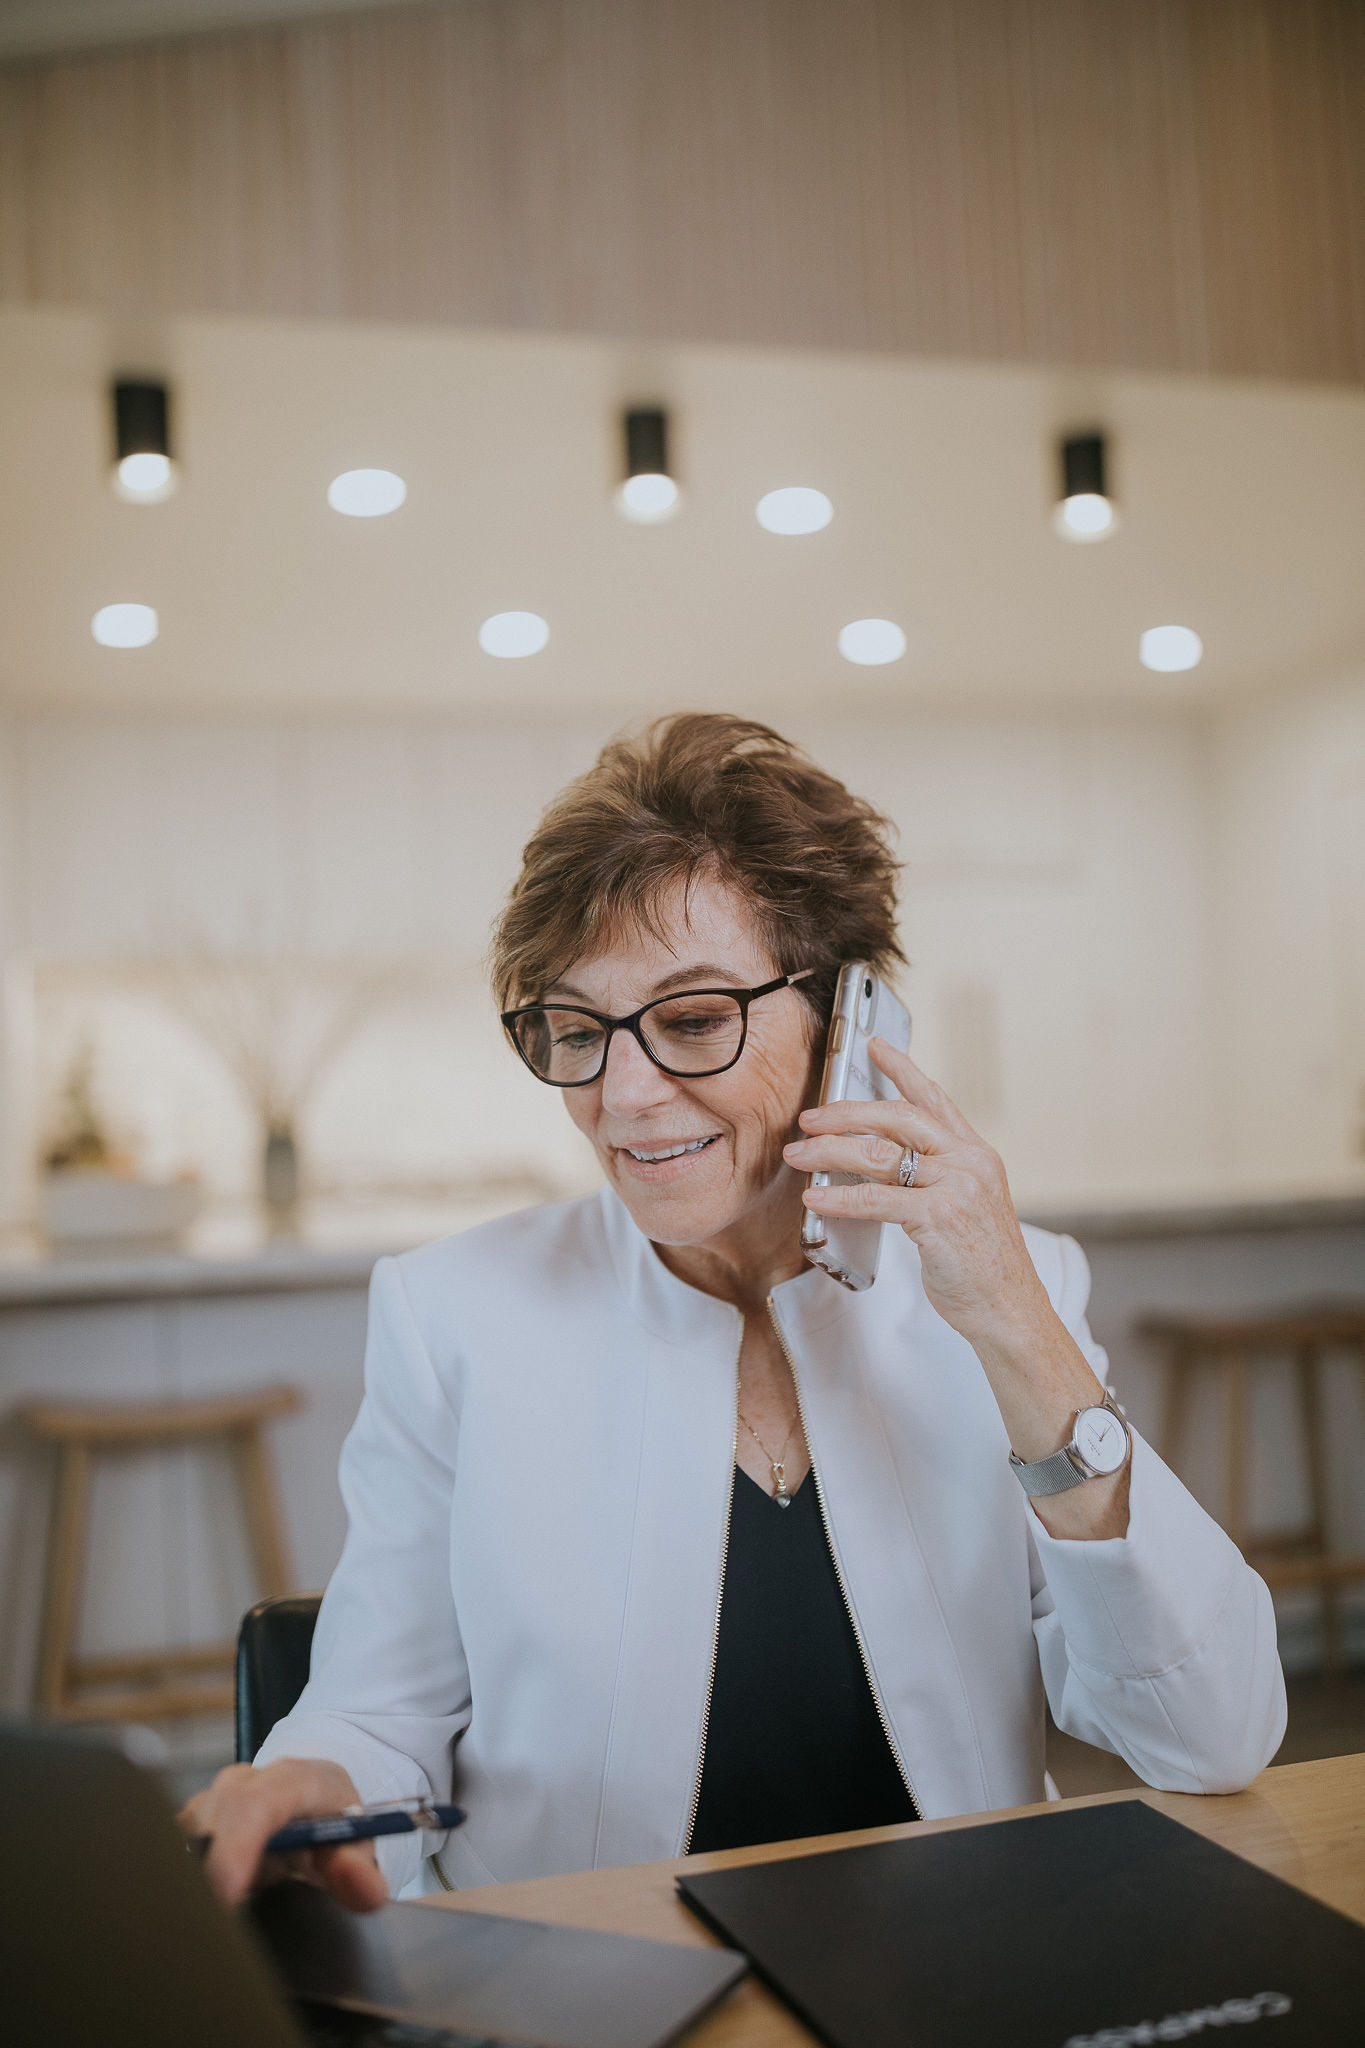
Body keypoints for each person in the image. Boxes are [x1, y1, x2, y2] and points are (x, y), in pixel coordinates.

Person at [183, 713, 1285, 1911]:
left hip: (960, 1970)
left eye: (695, 1019)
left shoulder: (1006, 1295)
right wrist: (303, 1786)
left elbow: (1211, 1731)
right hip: (601, 1992)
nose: (624, 1095)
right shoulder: (453, 1315)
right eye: (576, 1029)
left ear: (850, 1021)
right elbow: (381, 1707)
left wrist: (1017, 1322)